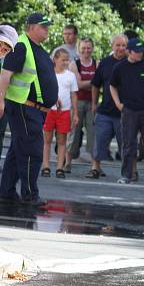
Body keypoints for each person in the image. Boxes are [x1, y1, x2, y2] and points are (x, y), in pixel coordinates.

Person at [0, 13, 59, 205]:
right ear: (31, 27)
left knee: (17, 151)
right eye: (43, 26)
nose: (47, 29)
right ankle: (30, 195)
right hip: (24, 107)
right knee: (32, 151)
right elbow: (5, 74)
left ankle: (6, 193)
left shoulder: (37, 48)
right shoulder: (21, 45)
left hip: (33, 109)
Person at [109, 37, 144, 185]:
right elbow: (112, 86)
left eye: (141, 51)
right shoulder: (119, 67)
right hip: (129, 110)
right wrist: (118, 104)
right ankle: (126, 175)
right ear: (129, 52)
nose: (140, 54)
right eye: (137, 52)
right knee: (128, 144)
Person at [86, 34, 127, 179]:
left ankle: (130, 171)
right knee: (100, 140)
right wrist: (94, 103)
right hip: (105, 110)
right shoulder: (105, 63)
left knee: (127, 143)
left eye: (123, 45)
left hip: (126, 112)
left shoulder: (132, 63)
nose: (121, 48)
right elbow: (95, 85)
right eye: (118, 45)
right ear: (112, 46)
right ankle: (95, 168)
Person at [41, 48, 78, 178]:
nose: (66, 62)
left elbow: (73, 95)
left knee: (62, 140)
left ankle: (59, 167)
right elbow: (44, 91)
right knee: (47, 139)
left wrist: (76, 113)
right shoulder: (49, 74)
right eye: (63, 60)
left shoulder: (71, 76)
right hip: (49, 110)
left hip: (65, 111)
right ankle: (45, 165)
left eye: (68, 60)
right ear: (55, 60)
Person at [66, 37, 97, 172]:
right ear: (79, 49)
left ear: (93, 49)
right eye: (83, 48)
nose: (86, 51)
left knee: (93, 133)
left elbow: (98, 84)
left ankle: (95, 166)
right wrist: (93, 82)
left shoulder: (97, 63)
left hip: (92, 102)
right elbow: (78, 85)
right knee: (73, 132)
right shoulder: (74, 64)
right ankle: (67, 163)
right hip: (76, 101)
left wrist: (90, 84)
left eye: (88, 48)